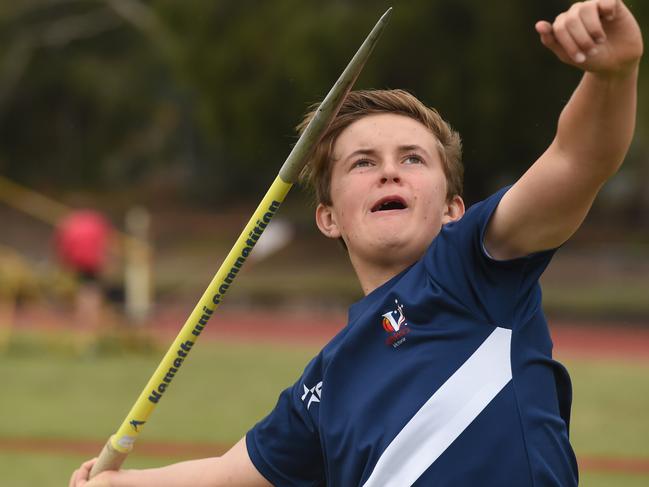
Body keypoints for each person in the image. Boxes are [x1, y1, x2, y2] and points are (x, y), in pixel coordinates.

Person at [70, 1, 642, 485]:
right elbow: (228, 474)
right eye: (363, 163)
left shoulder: (474, 268)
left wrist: (611, 76)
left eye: (412, 159)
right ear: (328, 217)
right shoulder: (326, 382)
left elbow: (577, 160)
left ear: (452, 210)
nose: (389, 173)